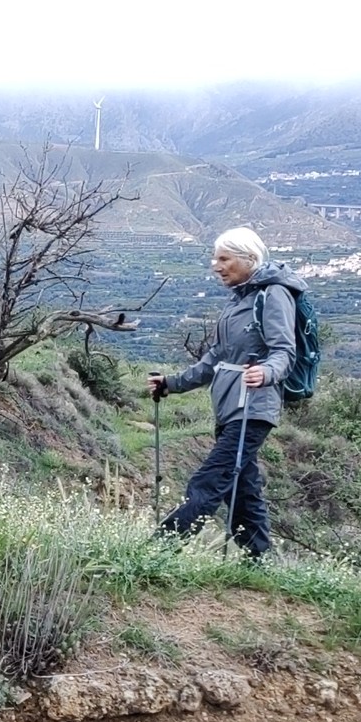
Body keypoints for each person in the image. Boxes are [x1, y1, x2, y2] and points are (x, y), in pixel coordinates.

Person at [151, 227, 298, 558]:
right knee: (243, 492)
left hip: (254, 408)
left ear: (249, 259)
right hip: (230, 407)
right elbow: (215, 358)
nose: (215, 265)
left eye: (223, 258)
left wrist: (267, 372)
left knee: (208, 481)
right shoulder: (241, 298)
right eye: (214, 258)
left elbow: (284, 352)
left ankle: (159, 550)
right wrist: (171, 383)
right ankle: (259, 562)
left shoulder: (273, 295)